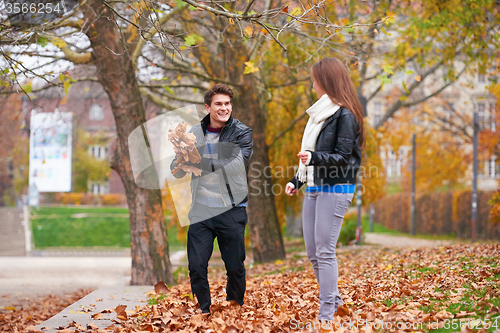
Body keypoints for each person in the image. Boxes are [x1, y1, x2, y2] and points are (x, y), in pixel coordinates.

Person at [285, 57, 365, 322]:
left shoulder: (345, 114)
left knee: (325, 251)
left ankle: (327, 312)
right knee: (313, 252)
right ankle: (338, 304)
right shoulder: (320, 114)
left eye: (315, 79)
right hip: (315, 186)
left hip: (337, 186)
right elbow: (310, 156)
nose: (313, 84)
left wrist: (313, 157)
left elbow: (343, 156)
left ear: (326, 81)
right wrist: (296, 181)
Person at [170, 83, 253, 314]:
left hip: (232, 209)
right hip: (201, 210)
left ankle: (234, 308)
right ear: (208, 107)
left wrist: (195, 161)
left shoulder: (241, 132)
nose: (224, 108)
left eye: (227, 104)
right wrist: (179, 160)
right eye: (218, 104)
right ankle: (203, 311)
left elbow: (236, 165)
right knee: (196, 266)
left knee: (235, 267)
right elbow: (175, 170)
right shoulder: (194, 133)